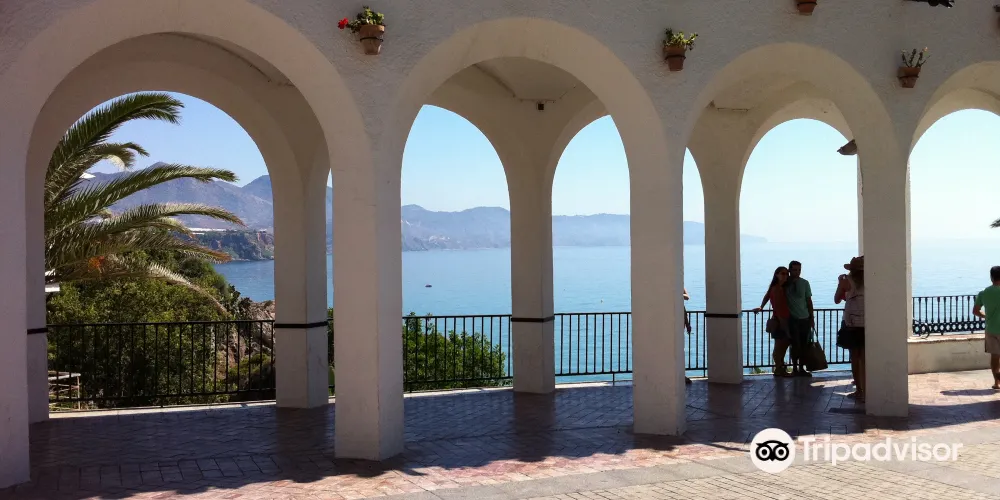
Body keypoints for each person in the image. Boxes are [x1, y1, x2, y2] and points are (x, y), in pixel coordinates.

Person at [835, 256, 865, 401]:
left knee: (855, 357)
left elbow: (836, 299)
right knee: (864, 358)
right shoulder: (871, 281)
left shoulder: (846, 281)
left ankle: (859, 390)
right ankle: (867, 388)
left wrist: (840, 283)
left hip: (852, 324)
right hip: (867, 322)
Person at [753, 267, 792, 377]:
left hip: (781, 320)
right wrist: (785, 326)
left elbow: (767, 296)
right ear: (777, 275)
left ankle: (779, 368)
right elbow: (779, 309)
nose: (785, 276)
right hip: (781, 321)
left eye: (787, 274)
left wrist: (761, 306)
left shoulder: (776, 287)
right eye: (783, 273)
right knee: (780, 347)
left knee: (781, 346)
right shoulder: (778, 289)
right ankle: (779, 369)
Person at [785, 260, 814, 377]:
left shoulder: (805, 283)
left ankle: (801, 368)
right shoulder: (785, 284)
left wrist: (812, 318)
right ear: (790, 270)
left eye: (799, 270)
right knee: (794, 345)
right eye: (794, 270)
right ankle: (795, 368)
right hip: (792, 319)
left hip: (804, 318)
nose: (797, 272)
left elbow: (809, 301)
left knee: (804, 344)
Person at [973, 266, 1000, 390]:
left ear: (991, 277)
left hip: (991, 329)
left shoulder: (984, 293)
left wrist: (986, 316)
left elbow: (976, 311)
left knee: (995, 357)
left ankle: (997, 383)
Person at [683, 288, 692, 385]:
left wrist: (687, 324)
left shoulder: (680, 287)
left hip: (680, 327)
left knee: (680, 351)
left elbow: (687, 297)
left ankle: (682, 374)